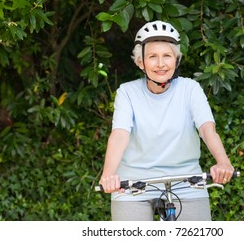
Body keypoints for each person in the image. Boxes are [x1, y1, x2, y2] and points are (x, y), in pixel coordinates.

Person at [99, 20, 234, 221]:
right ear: (140, 62)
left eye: (167, 56)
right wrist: (109, 174)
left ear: (176, 60)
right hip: (133, 183)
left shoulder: (190, 89)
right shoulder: (127, 92)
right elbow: (119, 135)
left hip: (186, 182)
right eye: (152, 56)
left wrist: (223, 161)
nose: (161, 64)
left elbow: (207, 130)